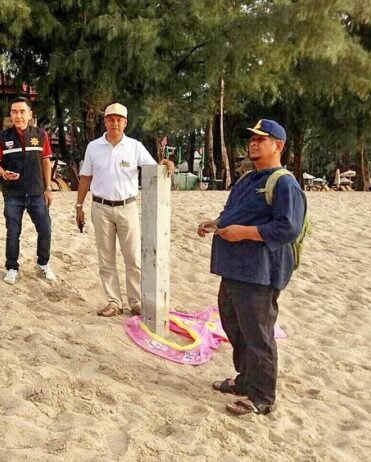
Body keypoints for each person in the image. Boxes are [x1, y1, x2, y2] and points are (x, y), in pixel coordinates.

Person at [197, 119, 305, 415]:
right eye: (252, 139)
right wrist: (216, 224)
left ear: (278, 146)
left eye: (262, 139)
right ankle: (246, 380)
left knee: (258, 334)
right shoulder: (247, 179)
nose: (254, 143)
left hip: (259, 273)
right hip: (233, 269)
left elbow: (288, 228)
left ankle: (262, 397)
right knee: (236, 328)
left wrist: (243, 233)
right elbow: (232, 212)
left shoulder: (284, 183)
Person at [75, 102, 174, 317]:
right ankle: (113, 301)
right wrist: (79, 205)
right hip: (100, 208)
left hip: (127, 207)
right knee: (106, 258)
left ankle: (136, 301)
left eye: (119, 119)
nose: (115, 123)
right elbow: (85, 177)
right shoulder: (93, 147)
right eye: (111, 119)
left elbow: (153, 168)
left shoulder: (135, 146)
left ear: (125, 123)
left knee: (133, 259)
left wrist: (166, 162)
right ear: (105, 121)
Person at [0, 96, 56, 284]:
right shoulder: (2, 137)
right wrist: (3, 174)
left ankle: (43, 263)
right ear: (10, 115)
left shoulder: (40, 135)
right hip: (13, 194)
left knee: (45, 229)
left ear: (30, 115)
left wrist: (48, 187)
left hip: (36, 192)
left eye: (22, 111)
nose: (18, 115)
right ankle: (11, 267)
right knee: (13, 232)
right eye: (14, 112)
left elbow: (46, 161)